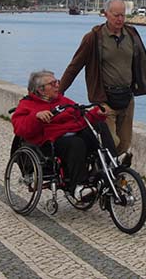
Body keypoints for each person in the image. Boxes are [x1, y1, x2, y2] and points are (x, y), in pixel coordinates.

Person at [60, 0, 146, 166]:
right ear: (106, 14)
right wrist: (59, 91)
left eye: (123, 15)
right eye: (116, 15)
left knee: (124, 143)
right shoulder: (93, 38)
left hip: (126, 98)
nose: (120, 19)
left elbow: (144, 62)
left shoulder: (131, 34)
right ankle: (104, 171)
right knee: (112, 142)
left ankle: (106, 171)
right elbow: (75, 66)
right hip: (104, 99)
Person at [11, 70, 116, 200]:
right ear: (41, 90)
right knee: (76, 143)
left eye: (57, 82)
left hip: (72, 133)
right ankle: (78, 187)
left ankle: (112, 162)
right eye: (52, 83)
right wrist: (36, 116)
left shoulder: (63, 100)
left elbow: (80, 117)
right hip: (49, 143)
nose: (57, 85)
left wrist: (95, 114)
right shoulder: (27, 105)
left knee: (99, 126)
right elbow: (20, 128)